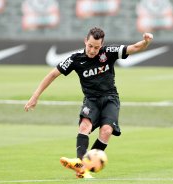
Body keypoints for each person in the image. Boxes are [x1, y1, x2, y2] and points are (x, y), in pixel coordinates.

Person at [24, 27, 153, 178]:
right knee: (85, 125)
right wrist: (35, 96)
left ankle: (84, 167)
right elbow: (53, 74)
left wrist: (146, 42)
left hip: (110, 98)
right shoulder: (75, 59)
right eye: (90, 46)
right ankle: (81, 165)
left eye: (96, 47)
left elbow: (135, 47)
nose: (92, 50)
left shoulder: (108, 52)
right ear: (85, 41)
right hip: (91, 100)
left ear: (102, 44)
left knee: (106, 131)